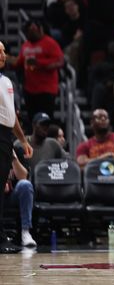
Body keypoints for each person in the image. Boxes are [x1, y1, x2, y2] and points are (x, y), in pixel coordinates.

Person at [0, 41, 34, 253]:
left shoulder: (6, 81)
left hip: (4, 136)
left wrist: (22, 140)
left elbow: (11, 117)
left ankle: (1, 236)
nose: (3, 54)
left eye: (4, 50)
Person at [12, 20, 64, 120]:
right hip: (30, 89)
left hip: (46, 89)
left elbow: (59, 61)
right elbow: (19, 62)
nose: (32, 31)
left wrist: (39, 62)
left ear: (41, 29)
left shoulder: (50, 43)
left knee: (46, 119)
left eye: (34, 28)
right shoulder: (25, 45)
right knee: (32, 119)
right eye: (29, 29)